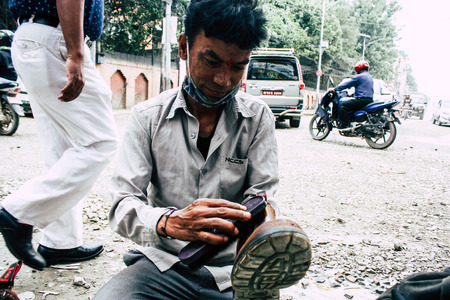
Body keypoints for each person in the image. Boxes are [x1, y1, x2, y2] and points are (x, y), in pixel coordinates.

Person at [94, 0, 311, 299]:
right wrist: (170, 223)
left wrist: (266, 224)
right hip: (164, 266)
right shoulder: (147, 118)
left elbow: (262, 195)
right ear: (183, 47)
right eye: (211, 61)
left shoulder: (258, 117)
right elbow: (121, 207)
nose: (224, 80)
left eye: (238, 67)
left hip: (237, 272)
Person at [0, 0, 118, 271]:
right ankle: (18, 213)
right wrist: (75, 53)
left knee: (61, 149)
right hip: (56, 38)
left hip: (35, 36)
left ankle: (59, 243)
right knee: (101, 141)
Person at [329, 60, 374, 129]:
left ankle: (344, 125)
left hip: (362, 100)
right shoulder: (369, 76)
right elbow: (364, 90)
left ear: (358, 69)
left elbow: (347, 84)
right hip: (369, 100)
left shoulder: (359, 77)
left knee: (343, 105)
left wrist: (335, 89)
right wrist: (352, 95)